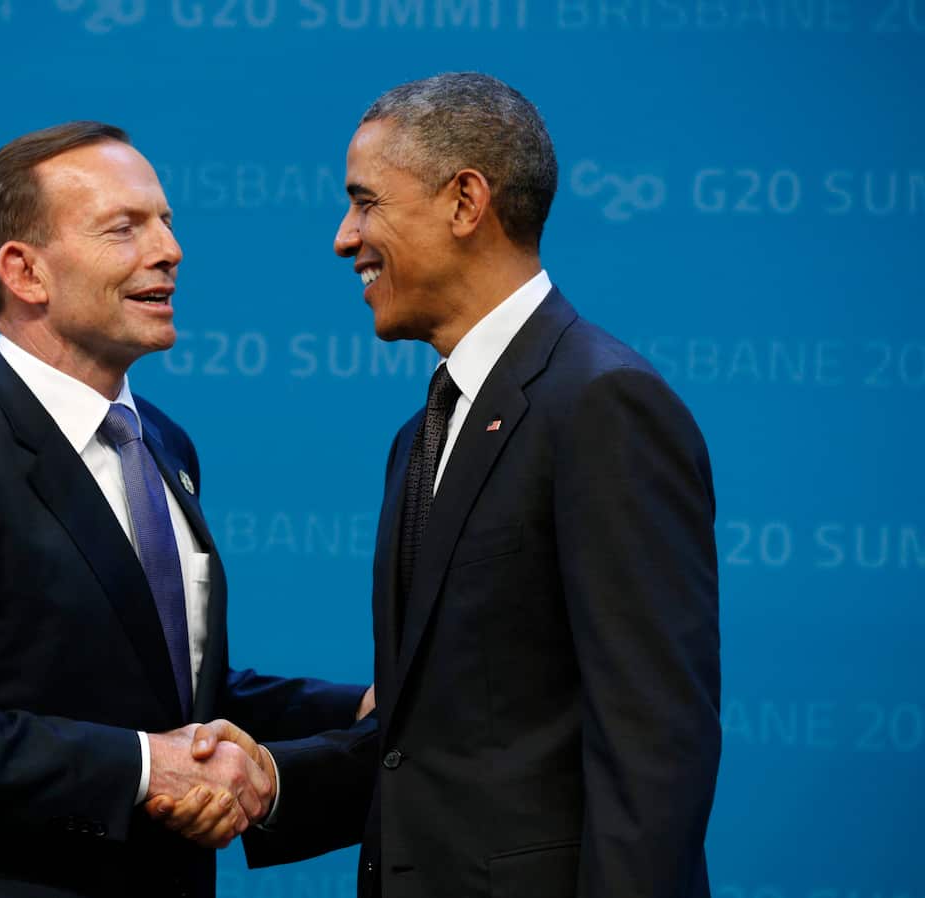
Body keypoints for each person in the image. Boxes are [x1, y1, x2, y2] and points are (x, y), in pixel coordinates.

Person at [153, 73, 721, 897]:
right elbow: (424, 740)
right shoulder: (420, 438)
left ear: (465, 202)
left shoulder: (602, 404)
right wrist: (275, 781)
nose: (345, 238)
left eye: (366, 202)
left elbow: (654, 741)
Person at [0, 120, 371, 898]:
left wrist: (354, 708)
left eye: (167, 223)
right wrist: (147, 769)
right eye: (125, 228)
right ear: (25, 271)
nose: (169, 251)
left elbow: (172, 696)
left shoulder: (166, 447)